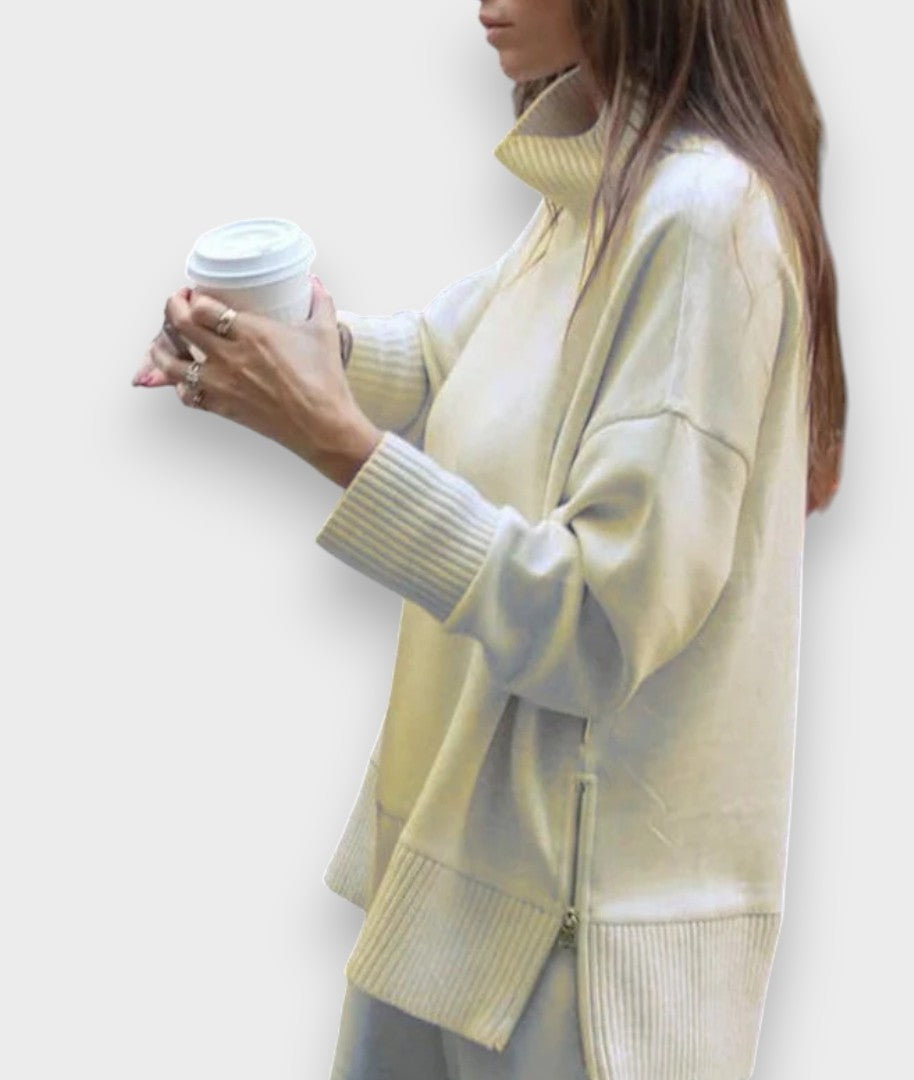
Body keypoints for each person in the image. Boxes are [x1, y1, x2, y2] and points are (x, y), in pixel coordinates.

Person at [133, 1, 846, 1077]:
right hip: (462, 905)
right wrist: (275, 347)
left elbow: (598, 624)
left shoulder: (700, 220)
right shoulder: (603, 188)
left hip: (574, 961)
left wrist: (332, 439)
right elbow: (448, 365)